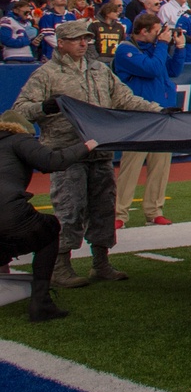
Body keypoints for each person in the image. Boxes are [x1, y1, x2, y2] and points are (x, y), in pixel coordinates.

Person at [6, 18, 161, 288]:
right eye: (77, 39)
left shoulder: (100, 70)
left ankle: (101, 263)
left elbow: (124, 98)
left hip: (100, 150)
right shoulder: (47, 74)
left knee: (103, 209)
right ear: (61, 43)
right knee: (70, 209)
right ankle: (59, 266)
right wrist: (45, 107)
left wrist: (157, 111)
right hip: (66, 153)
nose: (83, 43)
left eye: (86, 38)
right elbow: (19, 109)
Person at [1, 116, 99, 321]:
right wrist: (86, 146)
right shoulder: (19, 139)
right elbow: (52, 161)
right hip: (8, 214)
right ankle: (41, 302)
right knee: (48, 229)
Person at [112, 12, 185, 228]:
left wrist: (179, 49)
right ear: (143, 31)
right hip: (139, 113)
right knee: (131, 164)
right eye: (156, 32)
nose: (159, 36)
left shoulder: (155, 50)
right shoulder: (126, 49)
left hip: (162, 112)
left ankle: (154, 210)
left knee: (160, 163)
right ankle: (119, 213)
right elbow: (151, 68)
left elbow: (173, 70)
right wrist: (162, 45)